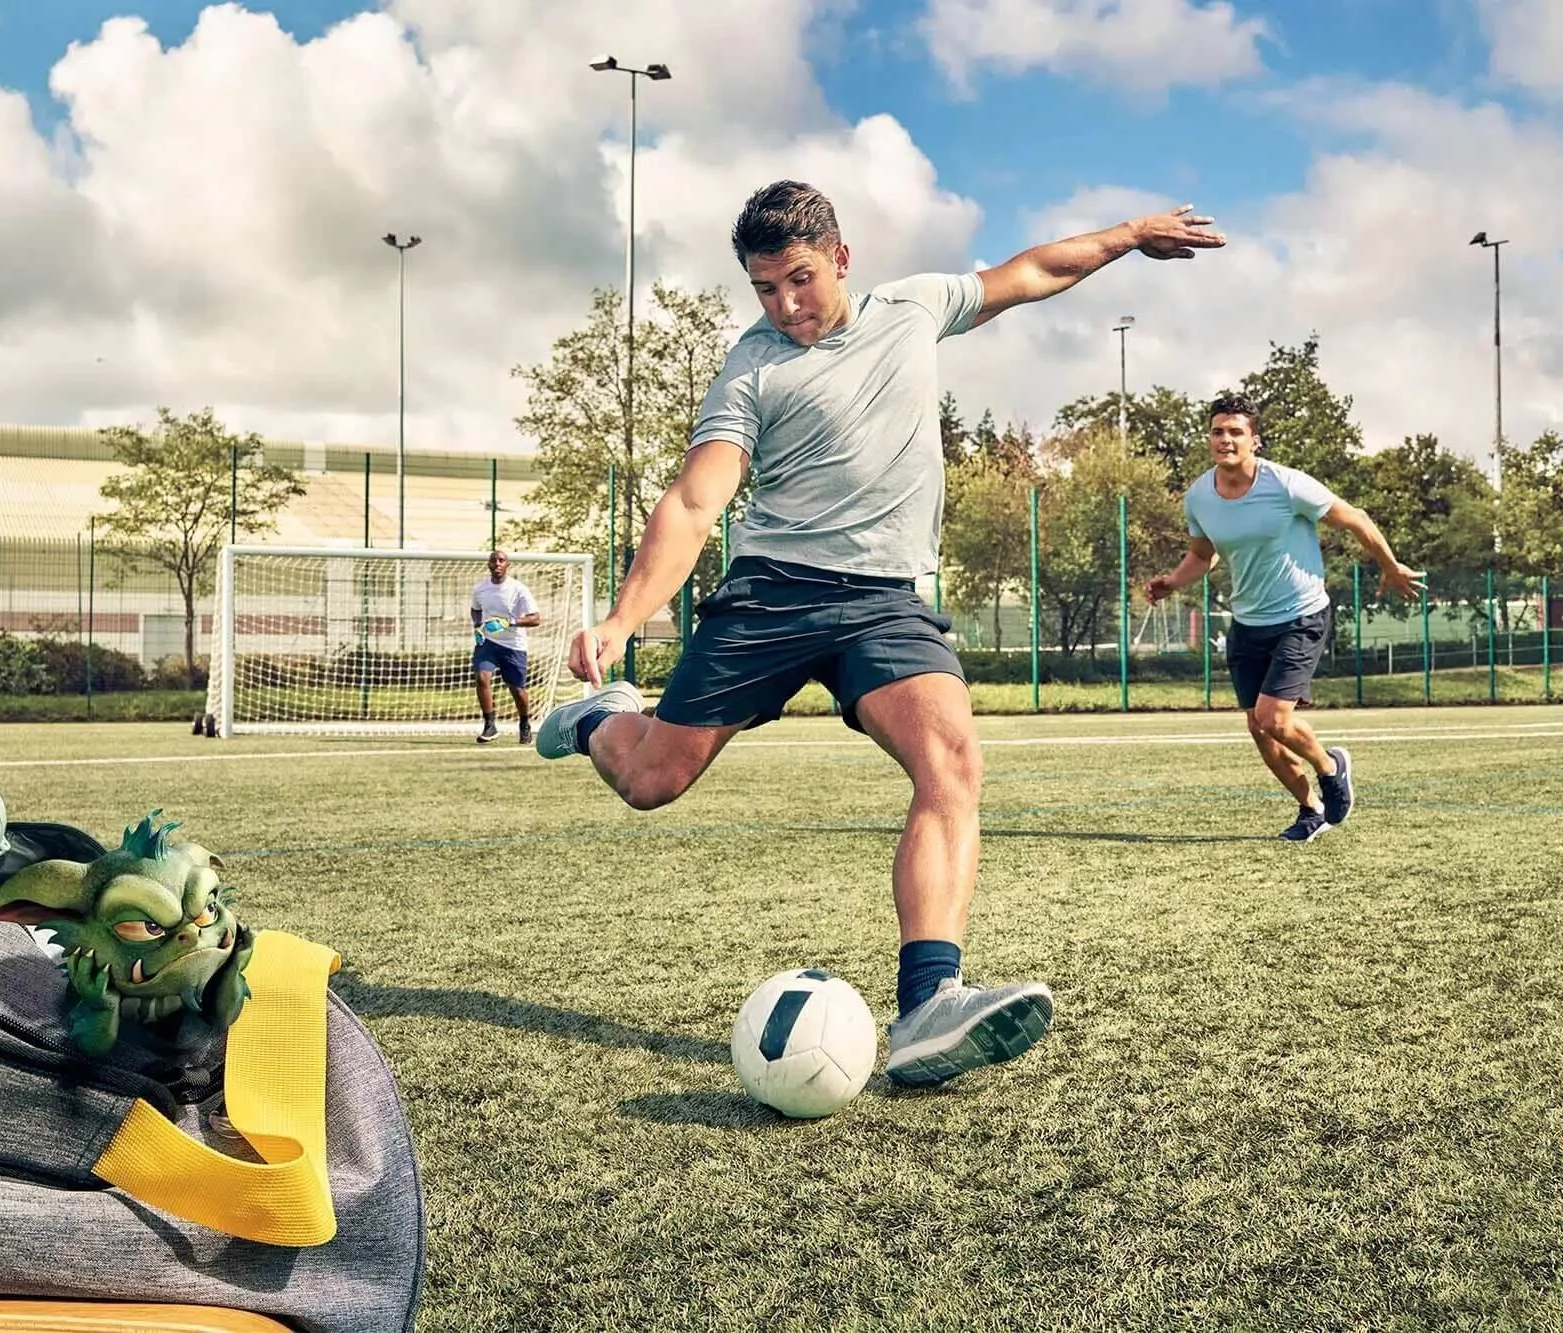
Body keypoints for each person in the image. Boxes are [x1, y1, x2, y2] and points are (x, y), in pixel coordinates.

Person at [536, 180, 1225, 1087]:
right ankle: (597, 719)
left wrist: (1132, 235)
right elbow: (698, 499)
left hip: (886, 604)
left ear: (842, 258)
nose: (786, 306)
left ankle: (930, 1004)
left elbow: (1031, 271)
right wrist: (626, 619)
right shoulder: (751, 371)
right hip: (773, 596)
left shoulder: (914, 308)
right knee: (650, 779)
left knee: (953, 761)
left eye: (800, 279)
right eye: (765, 290)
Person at [1146, 394, 1421, 842]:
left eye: (1235, 432)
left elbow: (1357, 519)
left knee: (1273, 718)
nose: (1225, 439)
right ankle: (1310, 808)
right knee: (1260, 729)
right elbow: (1203, 554)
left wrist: (1390, 567)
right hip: (1248, 623)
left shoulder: (1288, 485)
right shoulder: (1199, 496)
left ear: (1254, 440)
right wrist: (1174, 581)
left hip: (1300, 615)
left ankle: (1331, 767)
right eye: (1218, 431)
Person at [470, 549, 542, 744]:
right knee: (482, 677)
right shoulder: (480, 589)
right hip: (488, 643)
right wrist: (477, 627)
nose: (497, 564)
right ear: (489, 565)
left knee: (517, 690)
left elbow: (535, 619)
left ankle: (525, 723)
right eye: (494, 560)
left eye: (501, 560)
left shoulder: (518, 589)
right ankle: (489, 725)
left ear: (507, 564)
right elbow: (475, 610)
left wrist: (508, 622)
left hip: (514, 645)